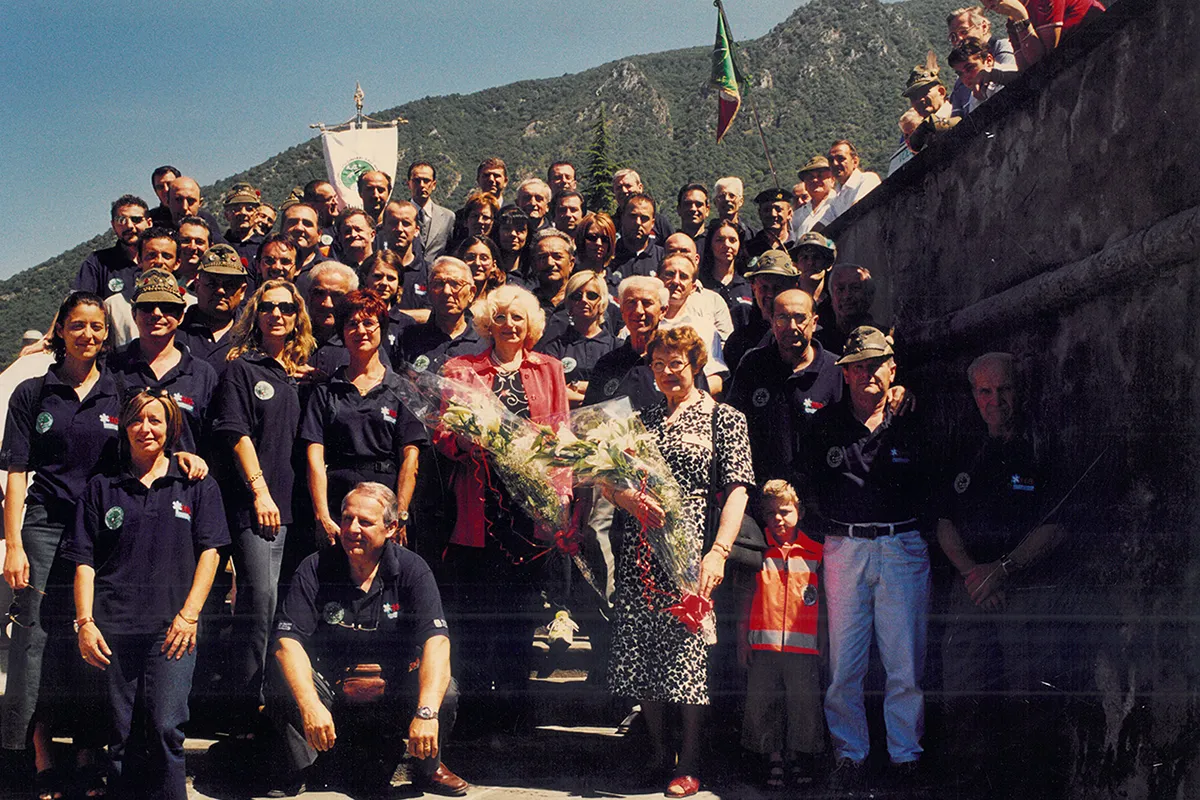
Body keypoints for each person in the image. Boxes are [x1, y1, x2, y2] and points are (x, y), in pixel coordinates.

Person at [605, 325, 754, 798]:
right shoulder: (642, 420)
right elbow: (606, 479)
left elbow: (737, 491)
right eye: (659, 364)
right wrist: (628, 499)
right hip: (641, 553)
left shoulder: (723, 418)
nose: (667, 372)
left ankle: (690, 760)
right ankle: (656, 752)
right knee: (643, 652)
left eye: (677, 363)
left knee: (688, 656)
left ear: (696, 365)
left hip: (692, 555)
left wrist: (719, 552)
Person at [65, 391, 229, 800]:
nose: (146, 429)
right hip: (112, 629)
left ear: (171, 428)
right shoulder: (101, 488)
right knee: (119, 736)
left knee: (164, 729)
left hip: (172, 630)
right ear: (124, 427)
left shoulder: (196, 484)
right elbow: (83, 561)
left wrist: (189, 615)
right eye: (137, 420)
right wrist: (85, 623)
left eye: (156, 421)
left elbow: (211, 552)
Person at [268, 482, 468, 797]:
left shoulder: (413, 569)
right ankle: (301, 767)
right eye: (347, 518)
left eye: (365, 522)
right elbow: (287, 643)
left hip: (393, 690)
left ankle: (428, 768)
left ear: (391, 528)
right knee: (283, 673)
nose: (351, 528)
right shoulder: (315, 567)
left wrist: (426, 712)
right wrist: (310, 705)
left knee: (447, 689)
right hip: (331, 691)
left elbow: (437, 641)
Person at [797, 327, 931, 790]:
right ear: (846, 374)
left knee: (904, 661)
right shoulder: (824, 427)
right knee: (845, 663)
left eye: (876, 364)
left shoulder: (912, 420)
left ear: (892, 368)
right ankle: (850, 756)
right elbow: (807, 491)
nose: (867, 373)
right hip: (845, 547)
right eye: (857, 365)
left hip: (901, 545)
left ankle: (905, 757)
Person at [1, 293, 121, 797]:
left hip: (103, 529)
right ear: (62, 331)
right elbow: (16, 472)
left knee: (93, 638)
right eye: (78, 326)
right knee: (33, 642)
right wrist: (13, 543)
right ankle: (29, 755)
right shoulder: (32, 392)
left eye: (96, 327)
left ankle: (91, 753)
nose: (88, 335)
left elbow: (154, 444)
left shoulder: (123, 390)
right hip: (45, 524)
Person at [436, 285, 570, 723]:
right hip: (479, 505)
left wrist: (561, 492)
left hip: (528, 511)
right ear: (486, 323)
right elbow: (441, 435)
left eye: (518, 318)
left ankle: (514, 705)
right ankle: (474, 709)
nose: (509, 326)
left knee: (520, 611)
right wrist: (465, 438)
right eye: (500, 317)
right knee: (475, 615)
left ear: (530, 323)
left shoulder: (548, 368)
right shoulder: (461, 369)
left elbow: (562, 433)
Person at [937, 353, 1065, 794]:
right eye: (985, 391)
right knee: (962, 694)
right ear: (974, 395)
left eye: (1004, 389)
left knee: (1028, 700)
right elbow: (943, 522)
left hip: (1024, 589)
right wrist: (974, 573)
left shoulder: (1042, 445)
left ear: (1019, 390)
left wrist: (1004, 570)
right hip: (971, 588)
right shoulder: (964, 445)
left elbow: (1056, 525)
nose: (995, 400)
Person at [211, 280, 316, 720]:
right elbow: (236, 435)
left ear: (297, 318)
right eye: (268, 307)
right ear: (255, 314)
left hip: (302, 510)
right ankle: (247, 704)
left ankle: (285, 698)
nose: (277, 314)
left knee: (290, 606)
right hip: (261, 507)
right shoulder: (242, 369)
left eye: (286, 308)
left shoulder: (306, 373)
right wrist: (259, 492)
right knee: (260, 601)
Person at [301, 290, 426, 547]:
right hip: (338, 503)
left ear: (382, 328)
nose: (361, 330)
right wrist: (322, 515)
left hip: (385, 505)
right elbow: (314, 458)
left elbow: (410, 459)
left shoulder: (403, 390)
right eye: (352, 324)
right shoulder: (325, 391)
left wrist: (399, 515)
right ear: (342, 333)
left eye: (369, 322)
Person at [740, 480, 824, 789]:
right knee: (763, 702)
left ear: (799, 512)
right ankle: (772, 757)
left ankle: (797, 756)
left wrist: (825, 641)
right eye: (770, 513)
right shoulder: (758, 550)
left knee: (804, 704)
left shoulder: (816, 552)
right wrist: (742, 639)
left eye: (785, 511)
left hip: (805, 648)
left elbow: (826, 603)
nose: (778, 518)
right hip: (764, 645)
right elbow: (746, 597)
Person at [727, 289, 843, 485]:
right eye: (782, 318)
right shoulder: (753, 364)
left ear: (814, 322)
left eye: (800, 318)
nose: (791, 326)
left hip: (818, 495)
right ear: (772, 322)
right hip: (762, 493)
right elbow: (732, 424)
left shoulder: (837, 370)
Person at [107, 269, 218, 454]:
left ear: (181, 315)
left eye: (167, 307)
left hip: (184, 480)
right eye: (147, 306)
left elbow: (213, 442)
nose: (156, 313)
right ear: (134, 314)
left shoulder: (203, 374)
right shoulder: (111, 366)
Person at [534, 270, 616, 406]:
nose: (584, 300)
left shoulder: (617, 346)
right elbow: (550, 389)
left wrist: (575, 386)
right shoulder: (555, 347)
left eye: (592, 295)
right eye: (577, 296)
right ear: (568, 303)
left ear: (602, 302)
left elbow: (620, 390)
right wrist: (593, 398)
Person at [393, 257, 485, 373]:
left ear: (471, 293)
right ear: (429, 290)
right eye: (438, 284)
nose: (446, 291)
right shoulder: (409, 338)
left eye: (455, 284)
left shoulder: (485, 341)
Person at [656, 255, 731, 396]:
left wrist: (682, 395)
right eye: (669, 274)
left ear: (693, 287)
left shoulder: (705, 329)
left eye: (683, 276)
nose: (676, 281)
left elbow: (716, 379)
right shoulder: (642, 325)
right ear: (658, 279)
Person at [722, 252, 800, 375]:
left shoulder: (806, 334)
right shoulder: (738, 340)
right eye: (764, 287)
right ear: (753, 288)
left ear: (793, 287)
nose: (769, 294)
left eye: (777, 287)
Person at [105, 227, 182, 348]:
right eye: (151, 255)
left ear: (177, 262)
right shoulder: (114, 306)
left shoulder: (192, 303)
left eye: (166, 256)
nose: (159, 261)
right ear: (139, 260)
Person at [176, 244, 249, 374]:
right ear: (197, 286)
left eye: (230, 285)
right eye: (212, 284)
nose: (220, 291)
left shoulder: (251, 334)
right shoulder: (176, 331)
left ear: (242, 291)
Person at [982, 0, 1105, 68]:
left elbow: (1044, 58)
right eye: (990, 8)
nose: (996, 9)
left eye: (993, 2)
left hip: (1101, 45)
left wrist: (1021, 17)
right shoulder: (1012, 21)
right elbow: (1027, 69)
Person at [73, 196, 151, 300]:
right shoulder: (97, 262)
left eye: (136, 219)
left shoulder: (163, 259)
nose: (129, 225)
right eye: (121, 220)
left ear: (149, 223)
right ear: (113, 225)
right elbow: (78, 304)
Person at [946, 6, 1018, 116]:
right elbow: (957, 116)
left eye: (964, 31)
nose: (959, 39)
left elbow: (1012, 82)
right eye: (953, 36)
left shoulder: (1003, 47)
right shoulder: (960, 80)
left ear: (983, 27)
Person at [699, 219, 754, 336]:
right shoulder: (701, 285)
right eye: (719, 240)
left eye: (732, 240)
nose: (727, 245)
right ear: (710, 244)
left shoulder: (749, 286)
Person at [377, 201, 431, 318]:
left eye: (406, 223)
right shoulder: (373, 269)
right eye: (393, 223)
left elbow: (431, 314)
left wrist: (391, 316)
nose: (399, 229)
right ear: (383, 227)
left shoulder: (429, 271)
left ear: (416, 230)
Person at [814, 263, 877, 356]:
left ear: (868, 296)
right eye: (840, 289)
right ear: (831, 298)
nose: (847, 296)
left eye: (855, 288)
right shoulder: (817, 343)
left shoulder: (881, 337)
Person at [902, 55, 961, 152]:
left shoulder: (958, 111)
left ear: (941, 92)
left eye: (924, 93)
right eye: (914, 97)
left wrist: (933, 124)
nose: (920, 100)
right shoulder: (922, 135)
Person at [362, 250, 415, 352]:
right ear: (365, 278)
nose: (384, 283)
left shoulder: (407, 325)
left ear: (399, 284)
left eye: (391, 278)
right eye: (377, 276)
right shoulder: (353, 318)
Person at [609, 194, 664, 292]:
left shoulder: (663, 259)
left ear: (652, 223)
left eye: (644, 218)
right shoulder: (608, 255)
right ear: (623, 218)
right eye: (632, 216)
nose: (638, 222)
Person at [820, 141, 882, 227]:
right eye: (831, 160)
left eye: (841, 158)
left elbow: (855, 212)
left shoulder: (868, 180)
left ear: (855, 162)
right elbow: (822, 224)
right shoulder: (837, 197)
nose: (835, 163)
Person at [407, 161, 455, 261]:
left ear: (433, 185)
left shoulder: (448, 217)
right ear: (409, 184)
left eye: (426, 180)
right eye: (417, 180)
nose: (422, 185)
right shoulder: (398, 214)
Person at [611, 169, 673, 242]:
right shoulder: (611, 224)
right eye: (619, 187)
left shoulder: (659, 223)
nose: (624, 190)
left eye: (628, 186)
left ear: (640, 187)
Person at [948, 36, 1005, 114]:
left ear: (989, 61)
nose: (966, 77)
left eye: (970, 68)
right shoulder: (974, 97)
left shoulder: (1006, 81)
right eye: (960, 73)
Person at [790, 158, 838, 240]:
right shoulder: (797, 215)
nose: (815, 180)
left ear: (832, 180)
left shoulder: (840, 204)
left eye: (820, 176)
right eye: (810, 177)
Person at [281, 203, 324, 294]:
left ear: (319, 234)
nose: (299, 228)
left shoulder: (331, 270)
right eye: (292, 222)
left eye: (307, 224)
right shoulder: (263, 265)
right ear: (281, 229)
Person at [745, 189, 796, 261]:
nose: (773, 214)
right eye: (767, 210)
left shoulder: (798, 246)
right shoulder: (749, 248)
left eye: (778, 209)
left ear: (789, 213)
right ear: (760, 214)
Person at [222, 183, 264, 265]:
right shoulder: (220, 245)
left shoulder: (265, 246)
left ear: (257, 215)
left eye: (249, 209)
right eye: (237, 209)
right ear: (227, 215)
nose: (243, 213)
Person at [495, 205, 533, 289]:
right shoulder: (489, 272)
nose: (513, 234)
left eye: (520, 230)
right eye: (507, 229)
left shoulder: (533, 275)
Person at [455, 235, 503, 299]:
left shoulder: (500, 301)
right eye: (470, 258)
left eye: (484, 258)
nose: (477, 263)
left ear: (494, 265)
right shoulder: (452, 298)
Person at [712, 177, 757, 244]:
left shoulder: (752, 236)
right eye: (722, 196)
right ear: (715, 202)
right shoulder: (707, 236)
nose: (727, 199)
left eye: (732, 196)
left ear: (741, 201)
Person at [175, 215, 213, 292]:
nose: (192, 247)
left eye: (199, 242)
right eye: (186, 241)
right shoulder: (165, 278)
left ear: (210, 247)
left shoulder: (214, 284)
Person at [574, 212, 617, 276]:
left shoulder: (616, 283)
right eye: (592, 237)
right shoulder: (568, 277)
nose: (599, 243)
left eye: (605, 239)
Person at [335, 209, 376, 273]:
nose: (353, 234)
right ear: (340, 237)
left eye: (358, 229)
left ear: (372, 235)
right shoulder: (336, 271)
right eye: (347, 231)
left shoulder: (383, 267)